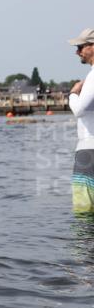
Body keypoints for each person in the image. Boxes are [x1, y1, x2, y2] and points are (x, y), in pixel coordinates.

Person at [68, 28, 94, 214]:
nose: (77, 52)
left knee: (84, 208)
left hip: (89, 147)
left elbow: (80, 109)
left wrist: (73, 93)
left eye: (80, 47)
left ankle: (85, 243)